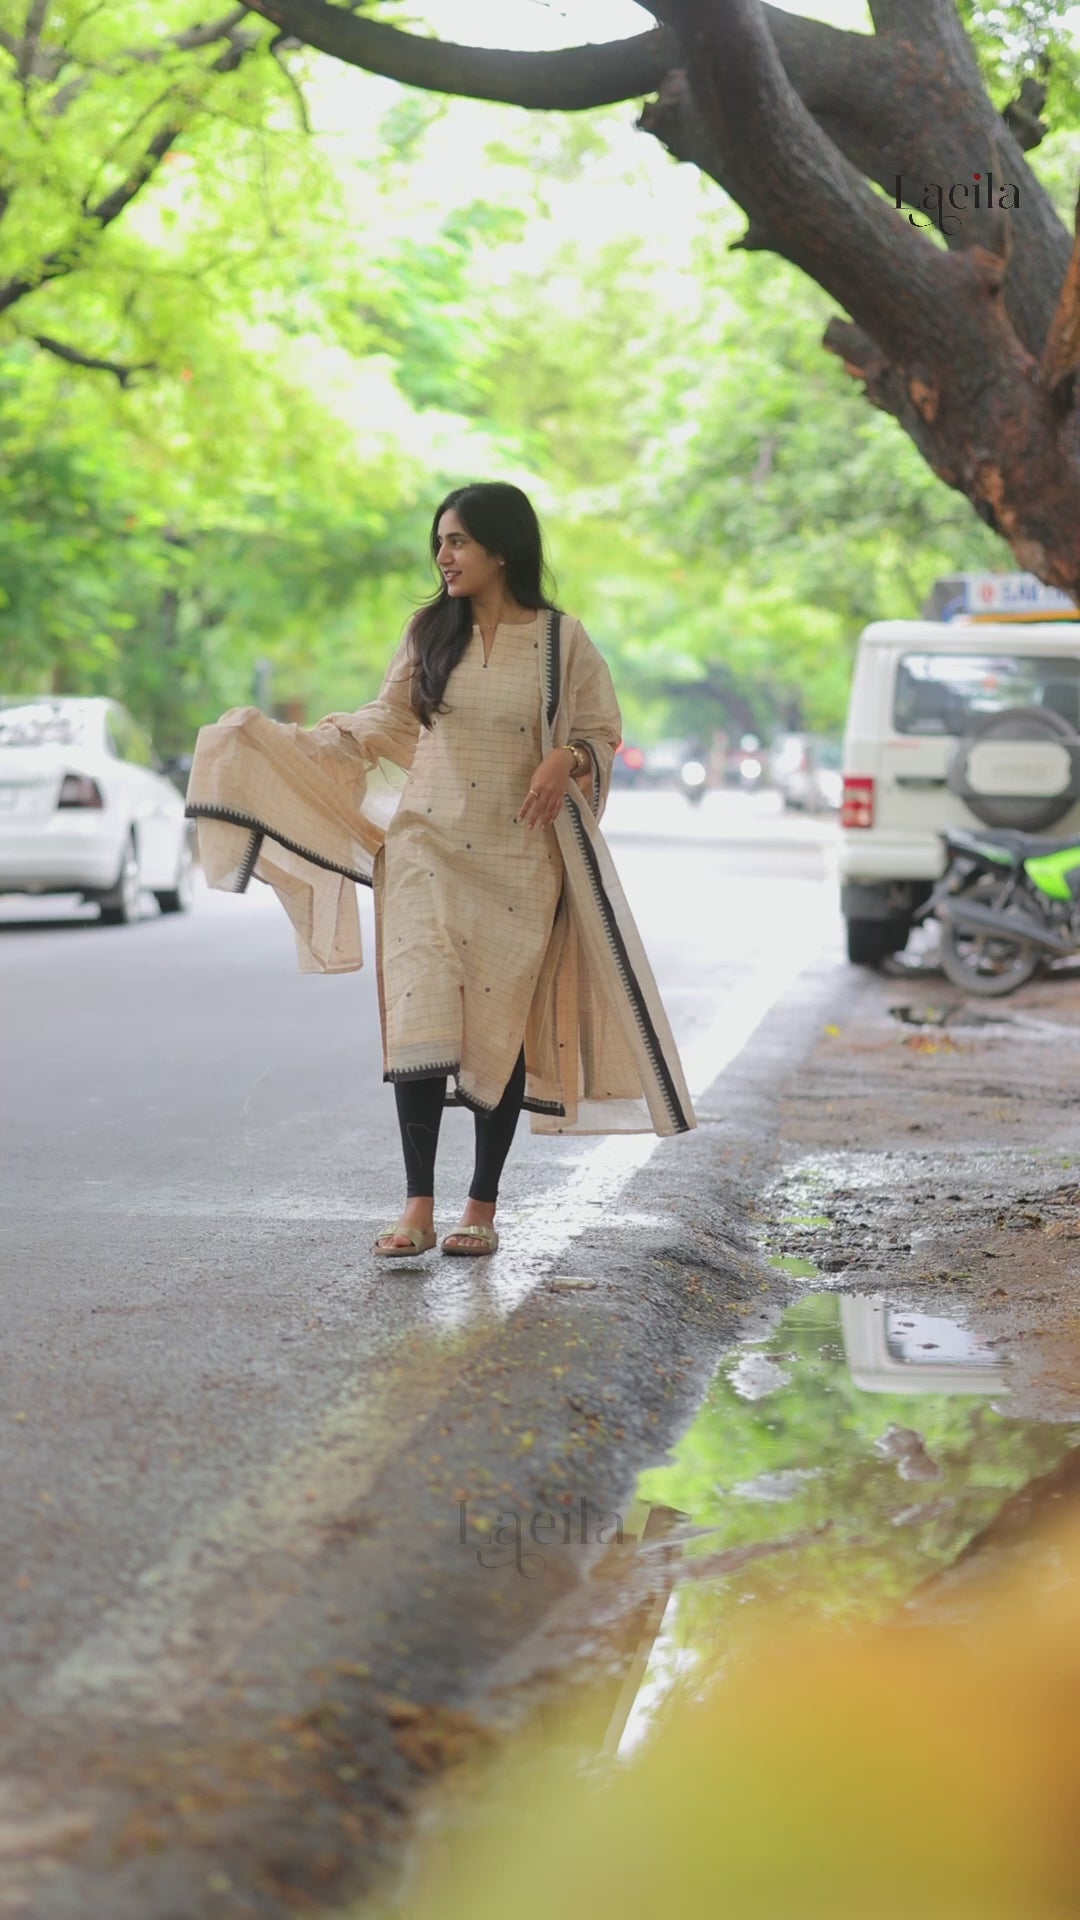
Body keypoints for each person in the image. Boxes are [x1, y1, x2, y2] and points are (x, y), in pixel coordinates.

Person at [186, 481, 695, 1264]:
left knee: (501, 1022)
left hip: (520, 860)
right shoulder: (431, 631)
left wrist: (569, 756)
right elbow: (391, 719)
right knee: (419, 1014)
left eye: (457, 541)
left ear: (501, 549)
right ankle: (417, 1205)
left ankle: (481, 1207)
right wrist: (306, 744)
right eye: (440, 542)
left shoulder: (562, 643)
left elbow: (601, 733)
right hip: (422, 850)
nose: (443, 556)